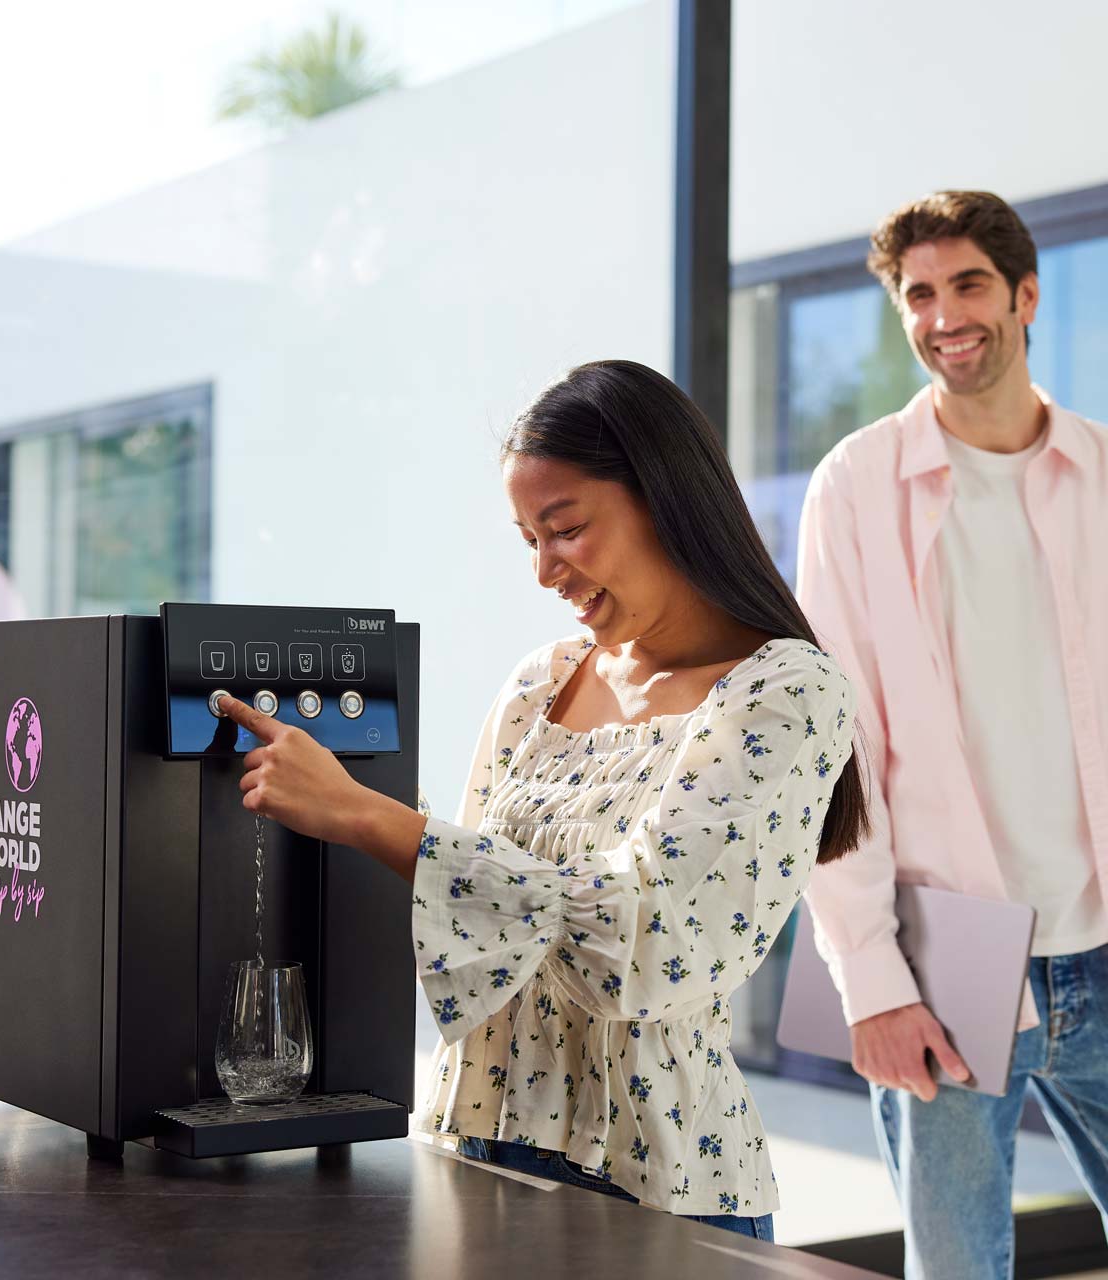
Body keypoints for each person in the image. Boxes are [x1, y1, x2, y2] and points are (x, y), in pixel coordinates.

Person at [219, 359, 864, 1240]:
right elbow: (477, 925)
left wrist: (375, 819)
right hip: (472, 1149)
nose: (544, 571)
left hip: (652, 1185)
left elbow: (647, 943)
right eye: (528, 538)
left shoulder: (783, 692)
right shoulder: (540, 683)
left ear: (665, 497)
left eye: (564, 530)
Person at [797, 191, 1108, 1280]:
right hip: (949, 946)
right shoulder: (853, 487)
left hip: (1104, 935)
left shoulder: (1102, 473)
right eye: (915, 294)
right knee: (957, 1266)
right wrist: (868, 978)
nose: (941, 314)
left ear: (1024, 293)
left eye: (966, 283)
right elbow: (826, 751)